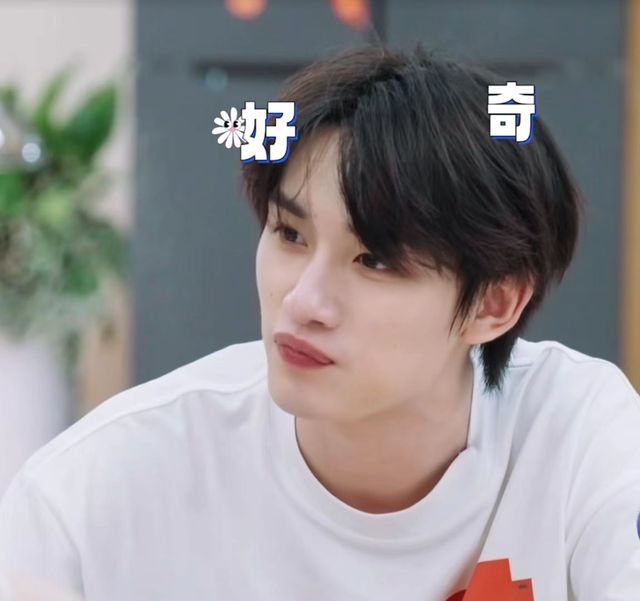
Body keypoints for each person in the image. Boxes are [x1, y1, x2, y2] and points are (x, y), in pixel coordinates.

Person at [0, 44, 638, 601]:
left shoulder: (581, 436)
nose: (303, 301)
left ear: (494, 304)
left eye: (375, 260)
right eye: (289, 233)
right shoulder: (99, 488)